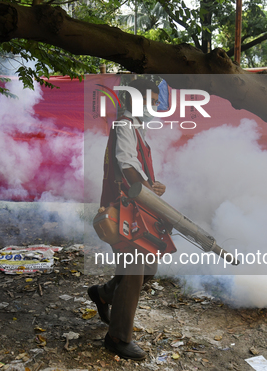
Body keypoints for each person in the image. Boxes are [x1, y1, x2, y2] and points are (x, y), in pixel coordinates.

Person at [88, 78, 167, 361]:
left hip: (137, 208)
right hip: (123, 210)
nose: (156, 106)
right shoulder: (124, 124)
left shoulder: (137, 128)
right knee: (135, 269)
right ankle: (118, 337)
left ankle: (105, 293)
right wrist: (147, 187)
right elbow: (127, 164)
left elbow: (137, 169)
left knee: (147, 269)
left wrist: (153, 187)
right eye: (153, 101)